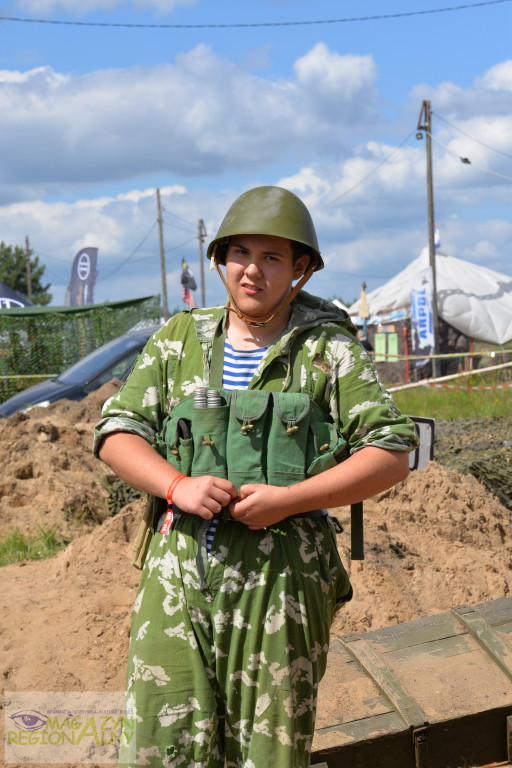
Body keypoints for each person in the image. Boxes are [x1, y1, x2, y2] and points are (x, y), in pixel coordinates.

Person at [94, 186, 418, 768]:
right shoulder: (178, 342)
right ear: (221, 260)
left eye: (272, 258)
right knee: (159, 748)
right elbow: (116, 432)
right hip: (178, 581)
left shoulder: (329, 350)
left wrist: (290, 499)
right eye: (240, 253)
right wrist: (177, 485)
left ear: (300, 270)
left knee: (267, 757)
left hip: (282, 586)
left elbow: (391, 450)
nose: (252, 270)